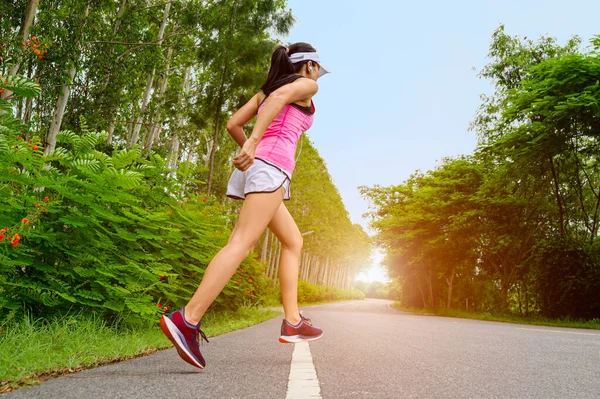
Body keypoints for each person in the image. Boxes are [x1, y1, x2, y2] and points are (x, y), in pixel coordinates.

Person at [159, 42, 329, 369]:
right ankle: (187, 319)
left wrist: (252, 149)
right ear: (310, 66)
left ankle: (292, 320)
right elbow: (275, 104)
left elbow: (232, 124)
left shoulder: (264, 91)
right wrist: (253, 144)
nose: (319, 74)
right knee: (240, 243)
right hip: (272, 167)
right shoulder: (306, 85)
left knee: (294, 240)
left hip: (261, 167)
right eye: (318, 68)